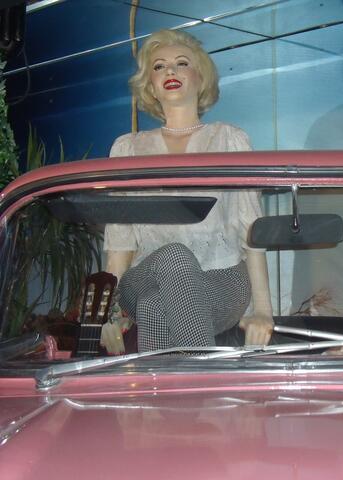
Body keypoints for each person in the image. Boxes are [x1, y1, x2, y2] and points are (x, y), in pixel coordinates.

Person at [100, 29, 273, 354]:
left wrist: (263, 310)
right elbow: (119, 241)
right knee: (173, 259)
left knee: (154, 305)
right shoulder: (127, 149)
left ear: (200, 77)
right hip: (146, 276)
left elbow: (251, 228)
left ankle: (161, 386)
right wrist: (106, 313)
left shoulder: (229, 140)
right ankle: (204, 378)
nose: (170, 71)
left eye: (182, 63)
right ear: (150, 85)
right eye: (159, 66)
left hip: (223, 280)